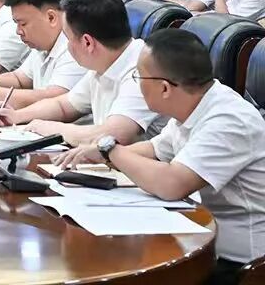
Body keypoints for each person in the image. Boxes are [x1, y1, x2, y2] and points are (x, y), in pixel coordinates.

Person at [56, 29, 265, 284]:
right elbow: (156, 149)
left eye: (139, 76)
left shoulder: (229, 120)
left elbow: (172, 184)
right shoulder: (196, 102)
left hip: (240, 263)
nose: (137, 83)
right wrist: (98, 155)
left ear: (164, 88)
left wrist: (110, 149)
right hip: (202, 237)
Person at [0, 0, 161, 146]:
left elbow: (111, 135)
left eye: (68, 38)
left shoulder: (143, 70)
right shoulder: (103, 63)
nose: (67, 45)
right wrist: (17, 116)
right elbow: (63, 106)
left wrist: (48, 128)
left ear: (87, 43)